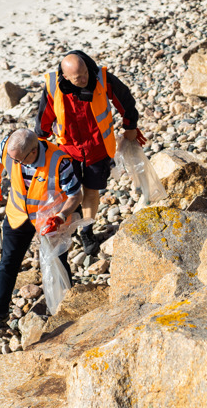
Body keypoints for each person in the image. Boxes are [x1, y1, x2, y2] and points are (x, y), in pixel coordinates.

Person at [34, 50, 143, 256]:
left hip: (98, 146)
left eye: (85, 73)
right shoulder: (52, 86)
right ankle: (69, 222)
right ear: (65, 77)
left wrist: (131, 126)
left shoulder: (101, 78)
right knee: (70, 192)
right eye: (78, 78)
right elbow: (44, 117)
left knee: (92, 190)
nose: (85, 79)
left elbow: (126, 99)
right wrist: (40, 145)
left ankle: (86, 230)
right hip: (68, 149)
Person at [0, 129, 84, 332]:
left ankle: (65, 308)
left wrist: (60, 217)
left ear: (33, 151)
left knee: (57, 261)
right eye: (13, 159)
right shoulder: (11, 148)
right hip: (18, 214)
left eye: (19, 161)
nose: (15, 164)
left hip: (49, 218)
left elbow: (75, 195)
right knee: (8, 262)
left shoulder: (59, 161)